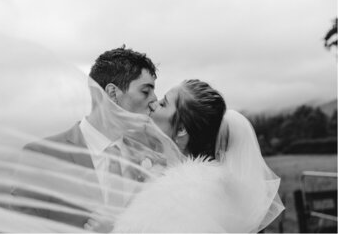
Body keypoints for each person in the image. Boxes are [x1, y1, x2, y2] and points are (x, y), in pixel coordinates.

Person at [10, 46, 161, 230]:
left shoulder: (153, 163)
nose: (154, 102)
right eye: (146, 91)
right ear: (113, 93)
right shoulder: (43, 155)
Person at [113, 79, 285, 233]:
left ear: (181, 129)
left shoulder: (183, 196)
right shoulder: (186, 181)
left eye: (163, 104)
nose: (153, 104)